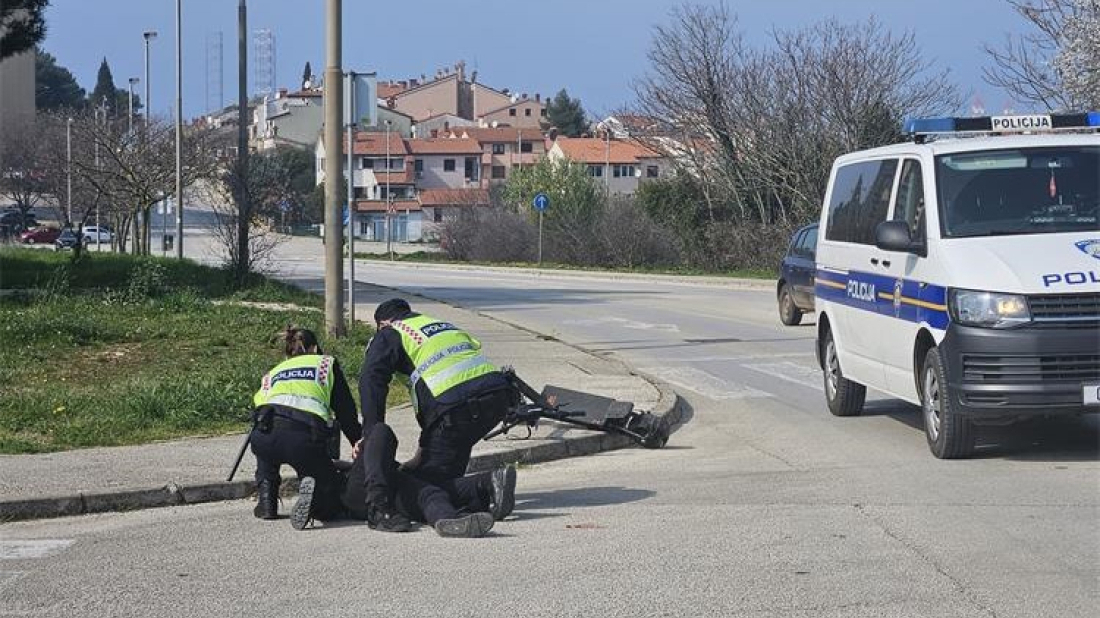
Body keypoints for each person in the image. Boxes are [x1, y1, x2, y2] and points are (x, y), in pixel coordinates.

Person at [358, 298, 516, 486]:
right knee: (450, 457)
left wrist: (372, 436)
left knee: (426, 485)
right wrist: (423, 451)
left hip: (454, 407)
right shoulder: (439, 324)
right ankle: (476, 492)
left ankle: (488, 486)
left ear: (383, 323)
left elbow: (371, 380)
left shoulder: (390, 332)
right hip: (497, 396)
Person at [250, 326, 362, 530]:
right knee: (329, 491)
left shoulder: (274, 372)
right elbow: (345, 410)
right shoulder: (325, 364)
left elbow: (259, 407)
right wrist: (358, 441)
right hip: (301, 436)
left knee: (267, 447)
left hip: (263, 435)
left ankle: (267, 502)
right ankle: (316, 499)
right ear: (315, 348)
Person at [339, 423, 516, 537]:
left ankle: (487, 483)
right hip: (354, 490)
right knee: (379, 431)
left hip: (370, 480)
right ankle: (448, 518)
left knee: (427, 488)